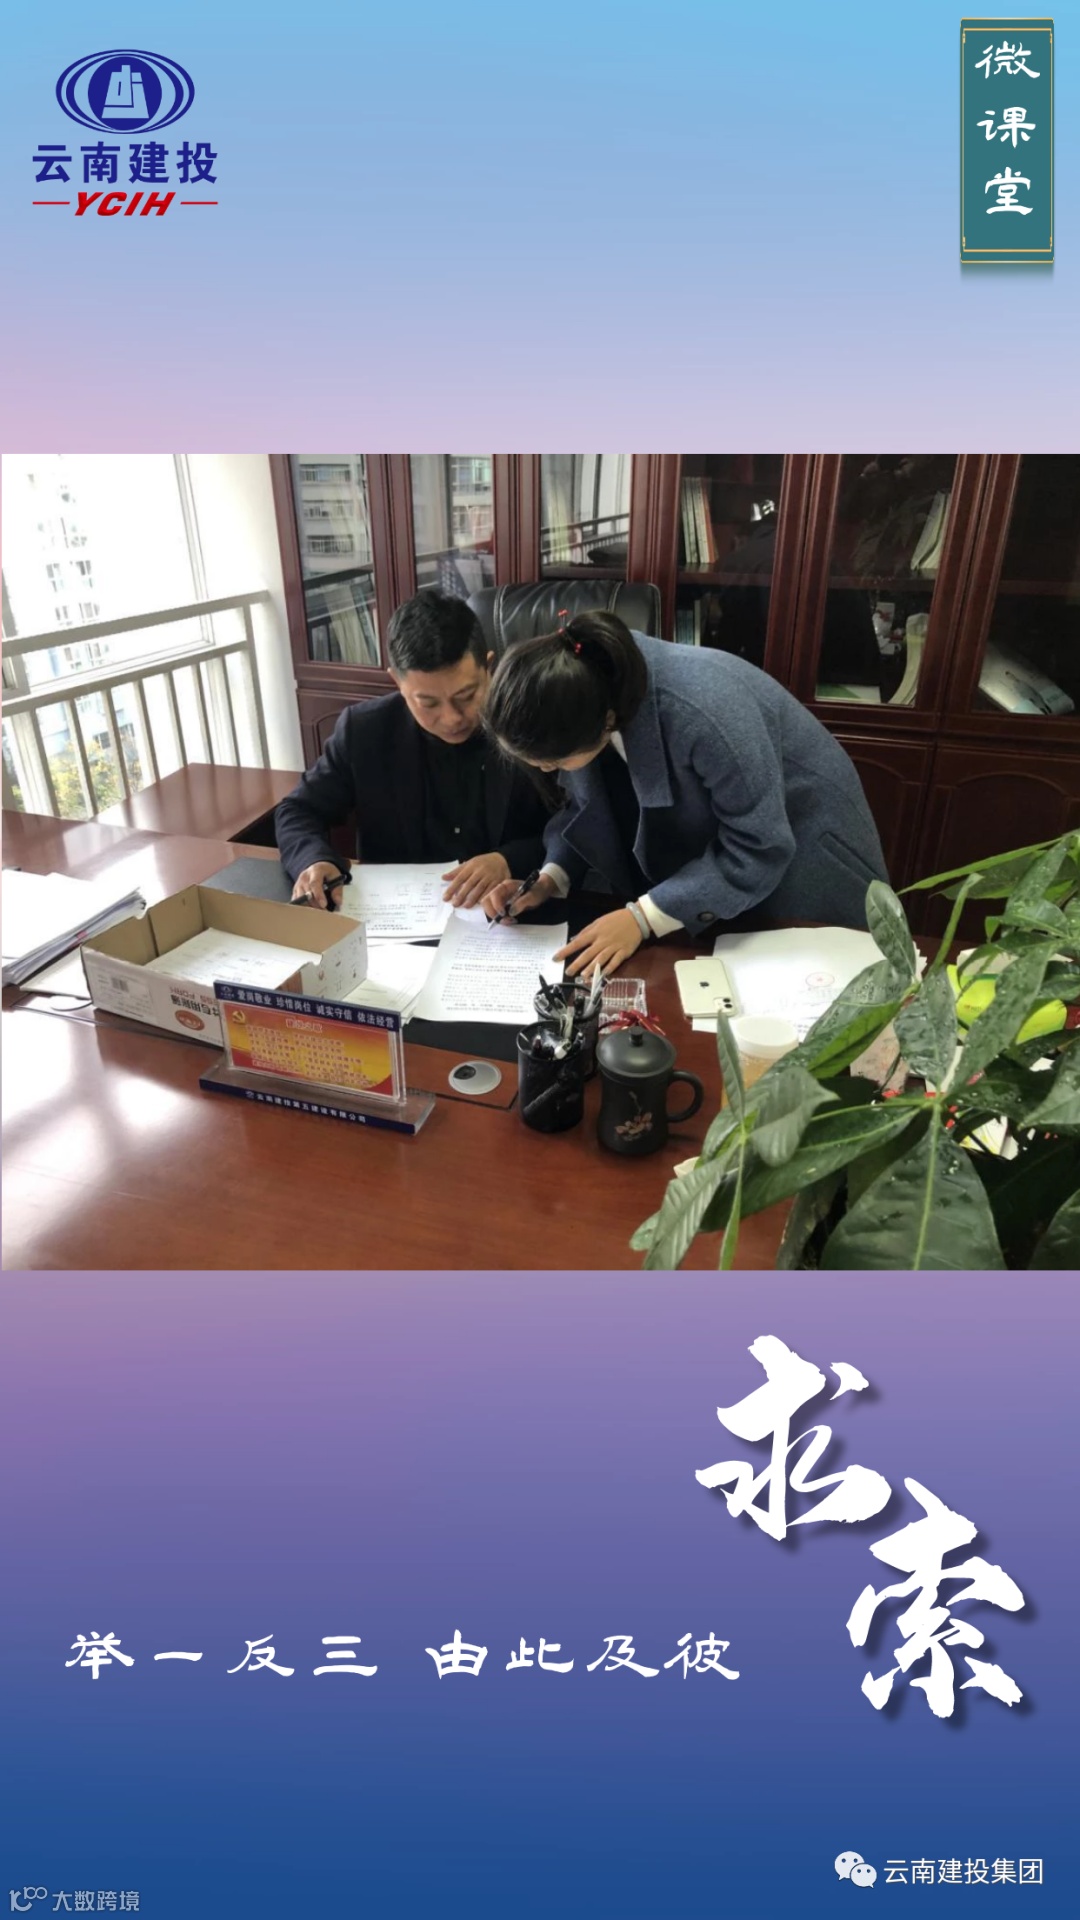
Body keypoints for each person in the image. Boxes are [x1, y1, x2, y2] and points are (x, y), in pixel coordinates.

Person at [481, 611, 888, 976]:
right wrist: (549, 879)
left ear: (605, 722)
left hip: (804, 845)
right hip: (728, 848)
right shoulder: (582, 686)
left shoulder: (704, 708)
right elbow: (584, 806)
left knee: (801, 997)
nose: (545, 771)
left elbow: (759, 846)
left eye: (553, 762)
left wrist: (642, 918)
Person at [276, 590, 550, 909]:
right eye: (428, 703)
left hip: (511, 912)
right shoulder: (365, 731)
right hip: (396, 917)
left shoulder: (528, 724)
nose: (451, 718)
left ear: (489, 667)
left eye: (466, 696)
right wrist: (314, 860)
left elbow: (571, 825)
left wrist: (508, 860)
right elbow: (298, 810)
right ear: (397, 682)